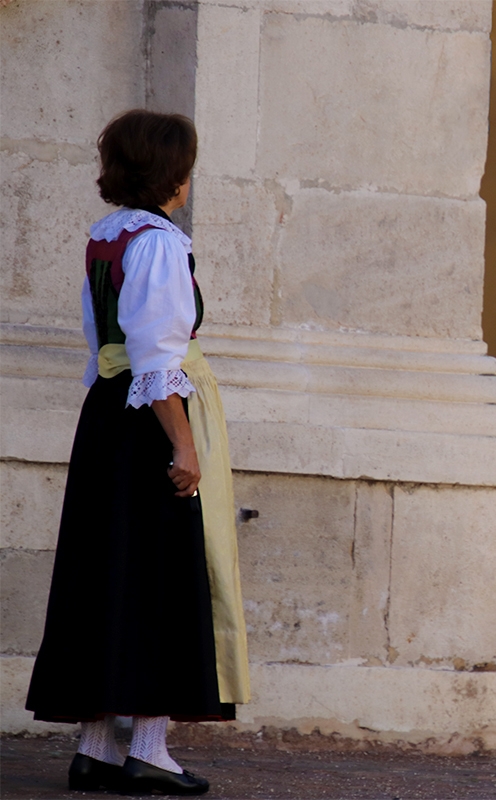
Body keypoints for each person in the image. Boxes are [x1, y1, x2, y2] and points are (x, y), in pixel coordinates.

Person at [25, 110, 250, 796]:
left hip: (106, 419)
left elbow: (104, 348)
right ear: (171, 176)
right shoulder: (158, 242)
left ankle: (94, 749)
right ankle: (147, 751)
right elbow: (158, 356)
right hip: (147, 419)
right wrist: (183, 444)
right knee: (159, 580)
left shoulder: (105, 237)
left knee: (105, 576)